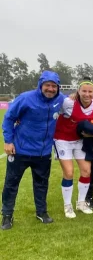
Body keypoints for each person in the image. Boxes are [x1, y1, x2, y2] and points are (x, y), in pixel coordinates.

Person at [1, 71, 64, 230]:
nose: (50, 89)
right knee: (11, 183)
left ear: (58, 87)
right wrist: (8, 141)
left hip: (43, 153)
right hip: (20, 150)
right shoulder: (26, 98)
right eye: (47, 85)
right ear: (40, 85)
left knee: (42, 184)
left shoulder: (61, 99)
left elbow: (77, 100)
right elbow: (8, 118)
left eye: (54, 86)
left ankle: (41, 212)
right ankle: (7, 215)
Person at [54, 78, 93, 218]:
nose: (87, 94)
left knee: (86, 171)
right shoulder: (68, 102)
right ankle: (67, 206)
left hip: (81, 141)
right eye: (84, 91)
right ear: (78, 91)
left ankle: (81, 203)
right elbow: (53, 110)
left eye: (90, 91)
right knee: (69, 173)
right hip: (63, 139)